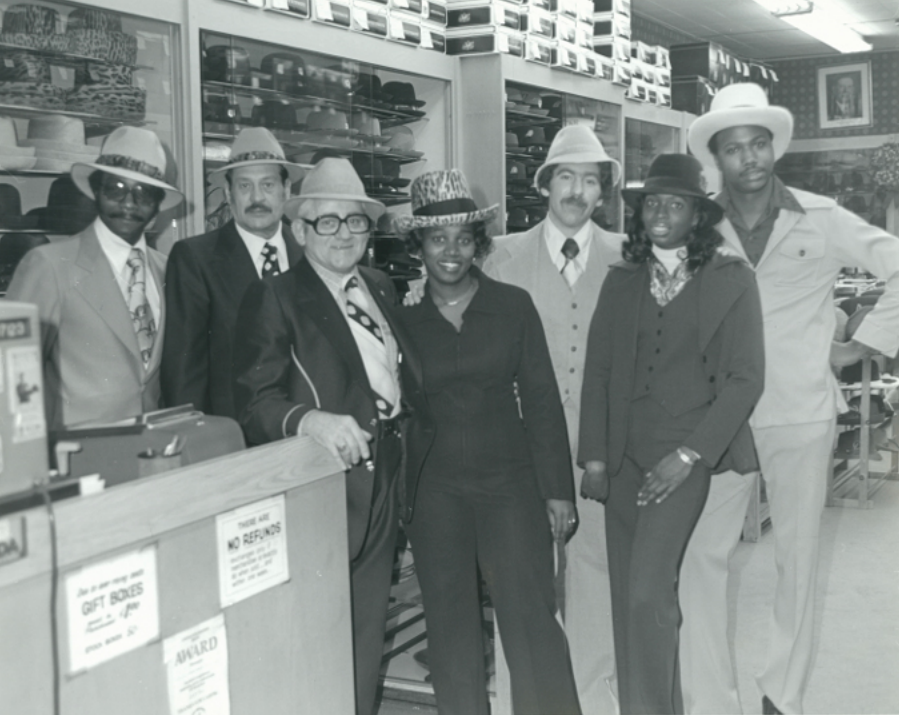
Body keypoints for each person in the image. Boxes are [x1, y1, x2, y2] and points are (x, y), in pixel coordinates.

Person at [680, 82, 899, 715]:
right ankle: (710, 700)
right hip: (716, 417)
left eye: (758, 144)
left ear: (773, 148)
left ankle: (782, 695)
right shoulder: (696, 225)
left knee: (797, 562)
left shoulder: (822, 216)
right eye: (733, 148)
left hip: (800, 412)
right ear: (716, 159)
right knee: (702, 556)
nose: (748, 158)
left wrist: (861, 343)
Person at [231, 157, 432, 715]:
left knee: (368, 623)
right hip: (323, 487)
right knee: (315, 628)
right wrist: (310, 420)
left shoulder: (379, 284)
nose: (343, 234)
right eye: (327, 222)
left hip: (386, 472)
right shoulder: (275, 296)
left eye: (355, 221)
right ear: (299, 230)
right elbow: (255, 400)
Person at [578, 153, 765, 715]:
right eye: (651, 203)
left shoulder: (732, 279)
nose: (660, 212)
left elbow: (744, 379)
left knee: (646, 593)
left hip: (683, 459)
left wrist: (690, 453)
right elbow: (600, 370)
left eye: (675, 203)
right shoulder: (622, 279)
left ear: (697, 215)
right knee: (627, 598)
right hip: (623, 455)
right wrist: (593, 457)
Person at [395, 168, 582, 715]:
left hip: (510, 486)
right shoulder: (401, 318)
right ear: (419, 246)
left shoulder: (513, 305)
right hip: (435, 494)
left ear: (478, 243)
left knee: (530, 619)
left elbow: (543, 402)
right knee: (449, 626)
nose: (450, 251)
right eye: (436, 238)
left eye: (462, 238)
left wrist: (557, 491)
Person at [482, 123, 624, 713]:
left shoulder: (626, 259)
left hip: (600, 451)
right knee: (520, 581)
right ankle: (520, 700)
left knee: (596, 577)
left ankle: (592, 698)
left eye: (590, 180)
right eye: (566, 176)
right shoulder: (500, 256)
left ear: (602, 193)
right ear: (545, 184)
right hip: (519, 449)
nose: (577, 190)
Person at [6, 126, 183, 431]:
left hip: (152, 451)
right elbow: (10, 376)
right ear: (96, 190)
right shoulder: (49, 266)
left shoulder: (168, 270)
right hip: (75, 457)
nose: (128, 202)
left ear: (157, 203)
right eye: (115, 187)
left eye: (143, 192)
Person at [161, 127, 305, 418]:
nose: (256, 198)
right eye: (244, 186)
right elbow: (184, 373)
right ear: (228, 194)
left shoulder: (310, 253)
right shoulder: (195, 260)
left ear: (287, 191)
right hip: (235, 439)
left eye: (267, 185)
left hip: (309, 427)